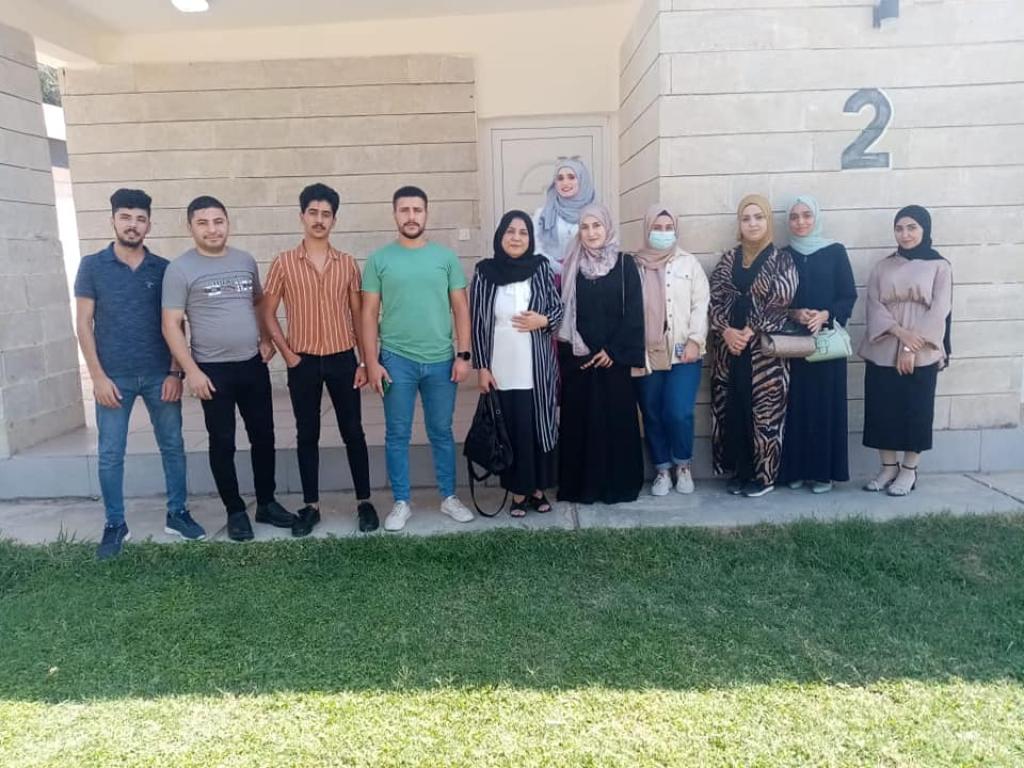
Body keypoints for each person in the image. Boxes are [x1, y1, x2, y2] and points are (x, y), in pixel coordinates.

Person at [75, 188, 205, 560]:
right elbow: (83, 324)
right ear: (113, 220)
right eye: (125, 217)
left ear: (149, 224)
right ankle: (115, 523)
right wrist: (97, 378)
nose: (133, 225)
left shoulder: (164, 269)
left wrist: (175, 372)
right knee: (110, 453)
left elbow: (177, 323)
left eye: (140, 219)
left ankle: (177, 513)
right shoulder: (92, 266)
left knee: (173, 446)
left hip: (159, 375)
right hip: (113, 379)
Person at [162, 196, 294, 542]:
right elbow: (171, 324)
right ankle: (235, 511)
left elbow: (259, 302)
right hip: (211, 371)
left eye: (218, 221)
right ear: (190, 227)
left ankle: (266, 503)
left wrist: (266, 338)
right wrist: (191, 371)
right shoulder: (180, 269)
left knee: (264, 436)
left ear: (228, 223)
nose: (212, 229)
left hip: (252, 365)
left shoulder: (245, 261)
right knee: (223, 442)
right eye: (203, 223)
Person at [262, 183, 379, 537]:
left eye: (326, 214)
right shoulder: (284, 262)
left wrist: (363, 361)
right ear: (301, 216)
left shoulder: (347, 264)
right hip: (303, 361)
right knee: (307, 433)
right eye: (313, 212)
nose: (319, 220)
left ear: (334, 220)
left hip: (343, 358)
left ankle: (365, 502)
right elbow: (267, 311)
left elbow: (358, 315)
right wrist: (287, 353)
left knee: (353, 431)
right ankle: (311, 505)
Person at [362, 186, 475, 531]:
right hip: (396, 360)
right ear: (394, 214)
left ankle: (449, 497)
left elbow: (461, 308)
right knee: (397, 433)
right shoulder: (379, 260)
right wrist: (371, 362)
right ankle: (401, 501)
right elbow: (368, 314)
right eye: (404, 210)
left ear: (426, 213)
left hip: (441, 361)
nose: (411, 216)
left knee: (441, 430)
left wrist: (464, 354)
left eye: (417, 210)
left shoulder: (445, 258)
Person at [470, 210, 563, 517]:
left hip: (536, 368)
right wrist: (482, 367)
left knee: (536, 428)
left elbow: (558, 309)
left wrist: (543, 320)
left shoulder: (540, 268)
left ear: (530, 239)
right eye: (510, 231)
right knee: (511, 429)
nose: (516, 238)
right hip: (501, 369)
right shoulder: (485, 272)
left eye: (523, 232)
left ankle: (538, 490)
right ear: (500, 235)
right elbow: (478, 321)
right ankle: (518, 493)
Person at [708, 194, 799, 497]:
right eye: (746, 218)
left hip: (764, 355)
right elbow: (714, 299)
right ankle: (740, 470)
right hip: (730, 351)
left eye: (759, 217)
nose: (752, 224)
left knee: (764, 414)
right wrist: (726, 332)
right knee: (733, 409)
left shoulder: (782, 260)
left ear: (768, 221)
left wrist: (747, 331)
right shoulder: (728, 259)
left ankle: (764, 476)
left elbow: (781, 301)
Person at [859, 205, 953, 497]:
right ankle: (888, 467)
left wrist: (911, 346)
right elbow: (874, 304)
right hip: (884, 345)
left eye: (912, 227)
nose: (905, 234)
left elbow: (940, 309)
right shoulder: (883, 266)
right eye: (899, 228)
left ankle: (909, 470)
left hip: (922, 349)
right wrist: (900, 334)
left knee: (916, 409)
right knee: (882, 409)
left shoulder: (939, 266)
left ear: (925, 229)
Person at [556, 203, 645, 504]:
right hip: (580, 361)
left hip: (614, 362)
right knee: (580, 424)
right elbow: (565, 314)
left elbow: (634, 312)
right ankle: (581, 487)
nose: (591, 232)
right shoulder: (572, 265)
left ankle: (617, 487)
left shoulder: (625, 264)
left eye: (597, 226)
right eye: (585, 227)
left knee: (615, 423)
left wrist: (613, 352)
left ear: (607, 228)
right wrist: (581, 351)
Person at [778, 196, 858, 493]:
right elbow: (774, 301)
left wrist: (825, 314)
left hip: (827, 345)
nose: (800, 222)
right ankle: (796, 470)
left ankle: (823, 473)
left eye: (807, 215)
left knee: (825, 407)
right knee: (794, 408)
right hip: (792, 345)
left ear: (817, 217)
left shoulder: (835, 252)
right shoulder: (782, 256)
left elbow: (848, 295)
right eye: (794, 216)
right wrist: (795, 313)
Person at [633, 205, 710, 497]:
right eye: (657, 227)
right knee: (652, 412)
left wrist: (695, 340)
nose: (663, 233)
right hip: (647, 353)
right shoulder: (635, 265)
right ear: (647, 229)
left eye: (668, 228)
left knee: (678, 412)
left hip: (683, 353)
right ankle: (662, 469)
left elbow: (701, 304)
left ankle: (683, 465)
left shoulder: (689, 263)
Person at [533, 157, 597, 277]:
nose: (565, 183)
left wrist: (576, 270)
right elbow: (535, 247)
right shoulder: (543, 214)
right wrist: (559, 269)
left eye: (571, 177)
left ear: (582, 180)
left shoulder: (594, 214)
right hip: (550, 276)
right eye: (560, 178)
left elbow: (601, 246)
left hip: (586, 276)